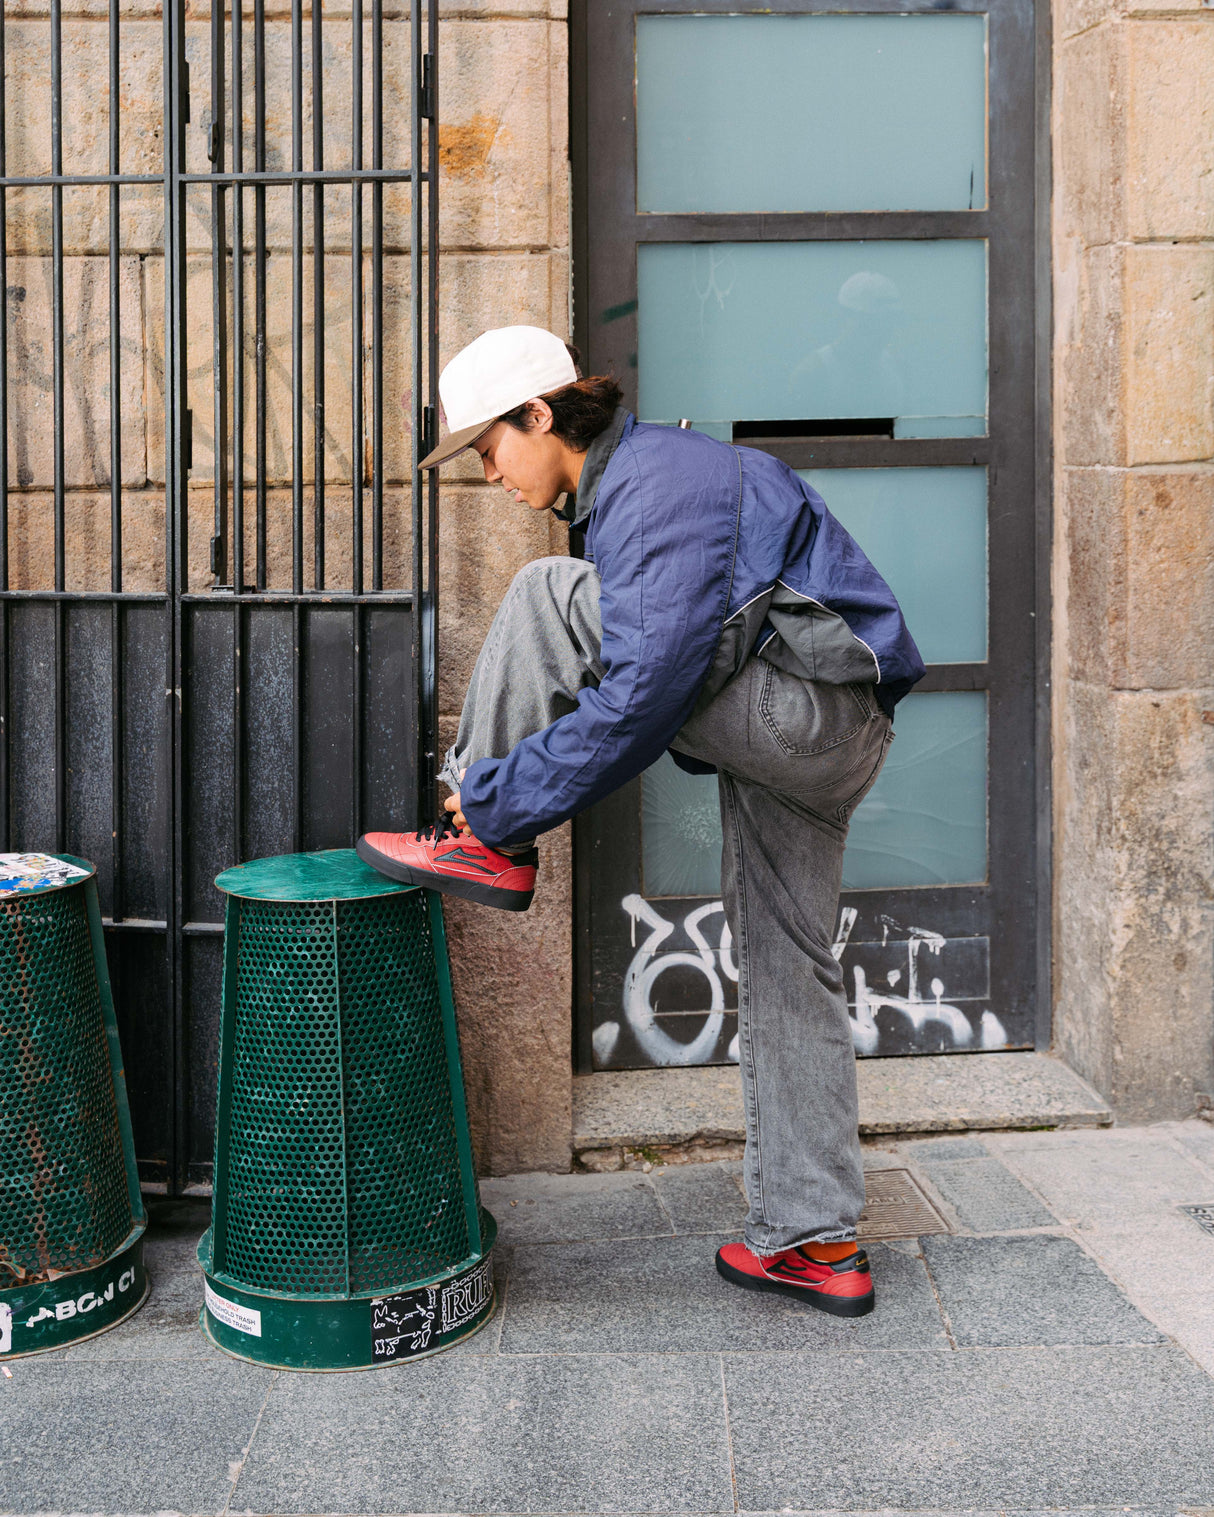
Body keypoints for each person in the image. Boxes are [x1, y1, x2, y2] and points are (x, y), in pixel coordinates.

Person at [357, 324, 925, 1317]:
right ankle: (814, 1238)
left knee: (548, 594)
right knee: (789, 959)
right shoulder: (651, 477)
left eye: (488, 448)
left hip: (808, 721)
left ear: (540, 416)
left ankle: (476, 829)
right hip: (821, 729)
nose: (489, 475)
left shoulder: (653, 486)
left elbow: (636, 700)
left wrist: (496, 795)